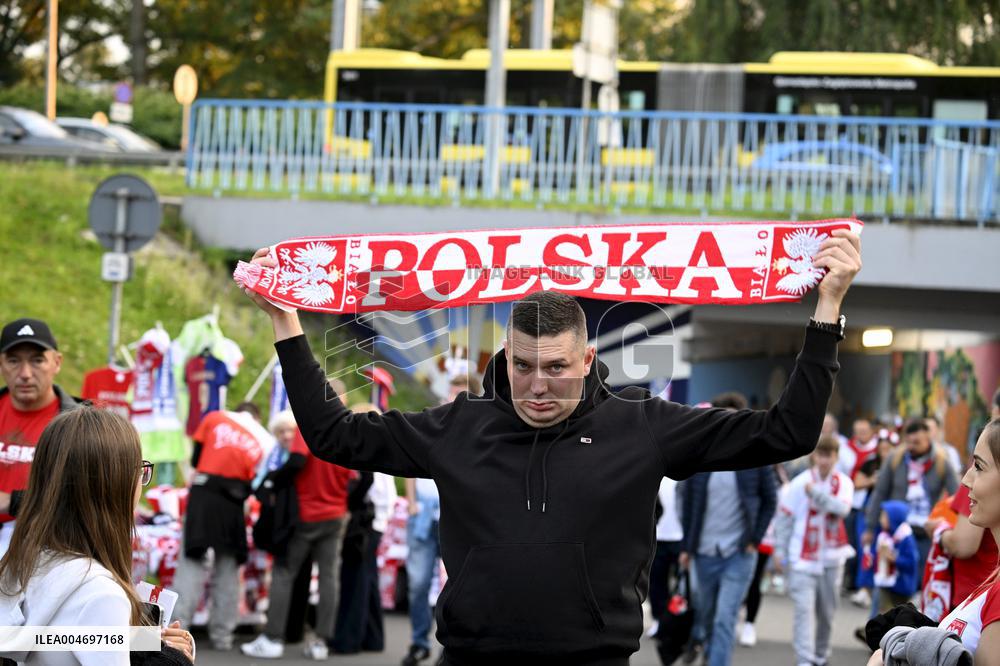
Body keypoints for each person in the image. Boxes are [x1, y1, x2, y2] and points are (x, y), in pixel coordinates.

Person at [240, 228, 861, 664]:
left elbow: (788, 433)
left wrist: (827, 309)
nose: (539, 385)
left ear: (589, 358)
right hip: (469, 658)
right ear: (504, 357)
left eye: (558, 367)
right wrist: (285, 324)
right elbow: (332, 435)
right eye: (525, 365)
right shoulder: (459, 425)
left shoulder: (644, 425)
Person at [0, 407, 195, 665]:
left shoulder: (22, 561)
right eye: (138, 470)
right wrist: (172, 659)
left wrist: (146, 641)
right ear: (115, 486)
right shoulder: (101, 594)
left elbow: (55, 639)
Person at [868, 419, 1000, 666]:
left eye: (979, 467)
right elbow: (880, 493)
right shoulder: (994, 579)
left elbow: (963, 543)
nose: (966, 480)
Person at [241, 412, 354, 660]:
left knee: (283, 572)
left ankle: (273, 638)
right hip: (335, 514)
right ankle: (321, 642)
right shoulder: (344, 432)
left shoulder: (309, 426)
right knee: (329, 578)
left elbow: (296, 462)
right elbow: (354, 478)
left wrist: (272, 482)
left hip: (306, 514)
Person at [679, 392, 778, 666]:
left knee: (725, 618)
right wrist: (686, 548)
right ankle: (709, 654)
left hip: (738, 554)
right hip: (704, 552)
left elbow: (771, 500)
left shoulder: (756, 458)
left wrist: (754, 538)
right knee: (706, 615)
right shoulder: (700, 460)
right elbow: (687, 506)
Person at [172, 406, 270, 651]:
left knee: (191, 564)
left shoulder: (215, 417)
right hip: (234, 502)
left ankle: (175, 633)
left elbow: (196, 459)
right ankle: (223, 636)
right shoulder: (264, 438)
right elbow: (258, 481)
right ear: (256, 417)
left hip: (203, 494)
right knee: (228, 570)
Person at [402, 374, 477, 666]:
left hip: (455, 518)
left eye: (459, 394)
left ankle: (450, 648)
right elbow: (406, 459)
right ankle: (418, 642)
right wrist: (410, 502)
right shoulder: (434, 420)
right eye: (451, 392)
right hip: (422, 515)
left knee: (458, 588)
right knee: (418, 584)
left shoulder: (478, 427)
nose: (452, 398)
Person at [773, 435, 854, 666]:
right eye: (820, 455)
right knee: (803, 612)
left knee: (827, 614)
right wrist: (780, 551)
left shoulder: (843, 483)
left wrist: (816, 494)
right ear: (814, 456)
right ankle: (805, 661)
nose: (824, 460)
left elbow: (842, 510)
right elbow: (785, 518)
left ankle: (820, 655)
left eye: (829, 455)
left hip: (831, 557)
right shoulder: (800, 482)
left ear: (836, 457)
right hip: (802, 557)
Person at [0, 318, 78, 553]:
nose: (25, 373)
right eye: (14, 361)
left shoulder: (79, 425)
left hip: (48, 544)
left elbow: (83, 497)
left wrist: (11, 502)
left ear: (57, 362)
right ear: (1, 364)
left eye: (37, 360)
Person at [863, 419, 959, 588]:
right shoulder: (895, 458)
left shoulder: (942, 462)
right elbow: (880, 492)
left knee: (916, 585)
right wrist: (870, 527)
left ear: (928, 439)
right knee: (885, 584)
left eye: (917, 442)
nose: (911, 447)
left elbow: (957, 496)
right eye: (908, 442)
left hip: (923, 533)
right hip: (895, 531)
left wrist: (953, 528)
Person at [870, 500, 920, 612]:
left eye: (884, 516)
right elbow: (876, 554)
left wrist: (894, 559)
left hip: (901, 587)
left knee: (894, 616)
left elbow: (912, 561)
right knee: (878, 609)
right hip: (885, 582)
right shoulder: (885, 535)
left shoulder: (905, 537)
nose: (880, 520)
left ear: (894, 518)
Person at [648, 476, 683, 638]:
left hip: (679, 538)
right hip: (658, 538)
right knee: (656, 583)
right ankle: (658, 620)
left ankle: (677, 622)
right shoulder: (655, 473)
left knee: (681, 586)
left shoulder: (684, 476)